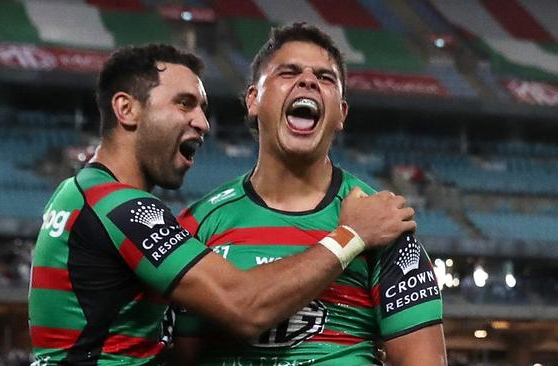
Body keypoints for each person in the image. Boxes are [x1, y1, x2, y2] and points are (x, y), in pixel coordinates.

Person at [28, 44, 416, 365]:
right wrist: (350, 236)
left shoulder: (79, 194)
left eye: (201, 107)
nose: (202, 122)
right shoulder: (121, 207)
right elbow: (244, 305)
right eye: (184, 104)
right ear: (126, 109)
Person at [172, 23, 447, 365]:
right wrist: (350, 237)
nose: (308, 81)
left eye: (326, 78)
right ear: (254, 100)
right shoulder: (198, 225)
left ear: (341, 114)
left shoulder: (386, 225)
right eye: (288, 72)